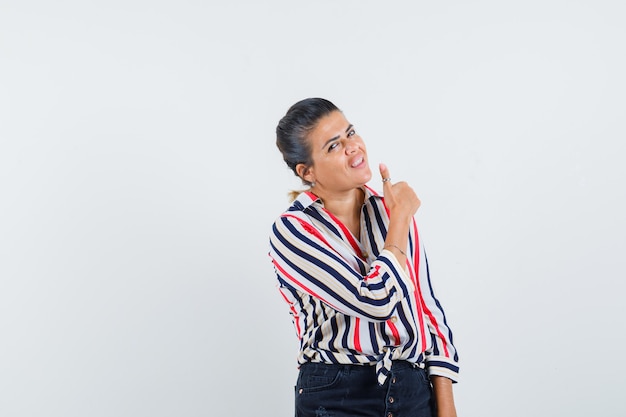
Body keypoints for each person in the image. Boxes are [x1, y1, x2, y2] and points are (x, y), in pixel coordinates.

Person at [269, 98, 459, 417]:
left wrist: (446, 405)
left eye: (351, 132)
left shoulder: (390, 208)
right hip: (337, 394)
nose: (353, 147)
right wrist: (400, 218)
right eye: (333, 146)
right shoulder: (293, 231)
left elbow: (427, 308)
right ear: (307, 171)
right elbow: (375, 301)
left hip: (412, 388)